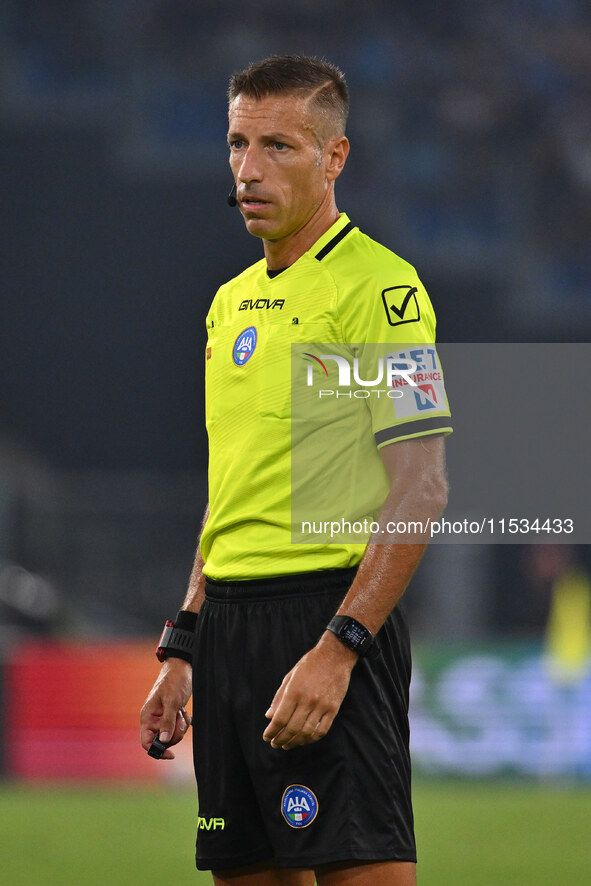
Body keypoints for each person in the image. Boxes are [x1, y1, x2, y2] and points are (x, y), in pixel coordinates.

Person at [140, 55, 452, 886]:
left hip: (326, 613)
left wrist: (340, 648)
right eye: (237, 144)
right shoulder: (229, 302)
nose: (248, 169)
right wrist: (183, 644)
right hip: (229, 637)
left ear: (334, 157)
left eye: (278, 146)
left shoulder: (382, 291)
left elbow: (421, 486)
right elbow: (231, 496)